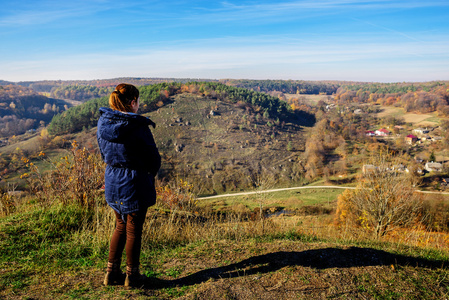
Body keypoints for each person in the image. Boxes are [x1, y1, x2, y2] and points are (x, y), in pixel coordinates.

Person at [97, 83, 161, 287]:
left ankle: (111, 273)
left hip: (113, 179)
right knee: (134, 229)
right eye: (138, 102)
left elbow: (103, 153)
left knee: (120, 226)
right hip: (134, 182)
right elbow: (153, 158)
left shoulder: (103, 123)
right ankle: (132, 276)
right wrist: (149, 174)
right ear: (133, 102)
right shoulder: (137, 126)